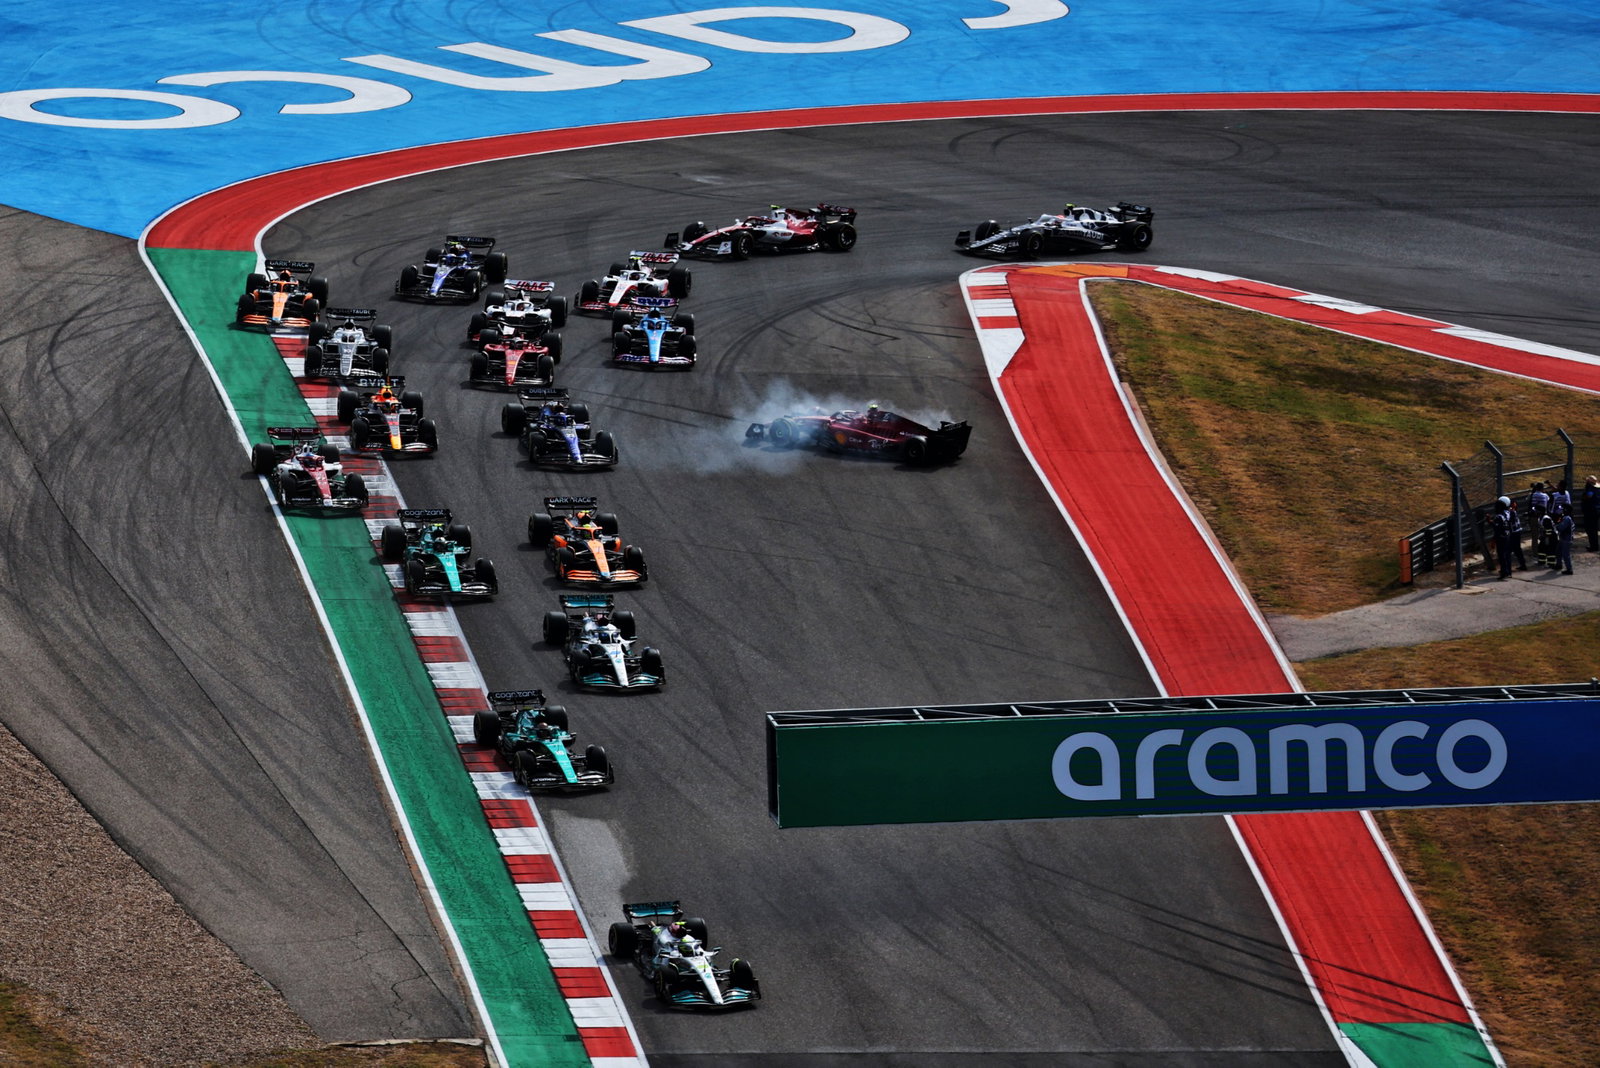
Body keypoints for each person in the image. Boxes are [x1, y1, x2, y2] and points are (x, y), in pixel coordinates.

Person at [1490, 497, 1517, 580]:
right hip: (1508, 536)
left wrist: (1494, 540)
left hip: (1501, 538)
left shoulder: (1499, 516)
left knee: (1502, 556)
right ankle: (1508, 572)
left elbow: (1497, 529)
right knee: (1507, 555)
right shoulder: (1508, 513)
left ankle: (1504, 572)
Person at [1581, 475, 1600, 552]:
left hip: (1591, 511)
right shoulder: (1597, 489)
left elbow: (1588, 497)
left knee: (1590, 529)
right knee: (1594, 529)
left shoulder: (1591, 489)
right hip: (1595, 510)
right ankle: (1594, 545)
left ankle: (1594, 546)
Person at [1554, 507, 1575, 574]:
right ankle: (1559, 565)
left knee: (1565, 555)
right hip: (1563, 538)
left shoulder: (1567, 518)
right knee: (1558, 552)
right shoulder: (1564, 518)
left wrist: (1556, 524)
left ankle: (1569, 570)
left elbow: (1560, 528)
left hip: (1566, 539)